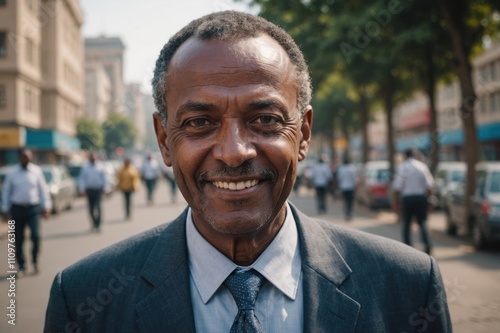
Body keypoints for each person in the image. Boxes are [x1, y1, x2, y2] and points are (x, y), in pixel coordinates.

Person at [45, 11, 451, 332]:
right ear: (165, 140)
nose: (234, 152)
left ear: (304, 133)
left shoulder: (408, 288)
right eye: (200, 123)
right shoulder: (83, 299)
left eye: (265, 119)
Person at [1, 149, 51, 276]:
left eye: (29, 156)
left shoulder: (36, 171)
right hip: (17, 209)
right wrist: (5, 209)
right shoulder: (12, 173)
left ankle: (34, 262)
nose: (27, 158)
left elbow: (43, 189)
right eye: (24, 156)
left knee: (35, 235)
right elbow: (6, 192)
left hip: (33, 208)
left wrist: (46, 206)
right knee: (18, 238)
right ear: (20, 157)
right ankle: (22, 265)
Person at [393, 148, 435, 255]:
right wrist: (428, 200)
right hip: (420, 198)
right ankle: (427, 245)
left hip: (407, 199)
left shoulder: (402, 167)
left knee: (407, 223)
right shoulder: (422, 166)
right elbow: (429, 186)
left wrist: (396, 203)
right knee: (422, 222)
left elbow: (397, 188)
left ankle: (408, 248)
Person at [78, 152, 107, 232]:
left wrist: (105, 188)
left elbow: (104, 178)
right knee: (91, 209)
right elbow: (82, 179)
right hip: (89, 190)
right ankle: (93, 223)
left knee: (99, 207)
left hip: (98, 189)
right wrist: (82, 189)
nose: (94, 159)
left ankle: (98, 225)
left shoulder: (101, 166)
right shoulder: (85, 167)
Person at [336, 155, 358, 221]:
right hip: (351, 187)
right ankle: (350, 214)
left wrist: (339, 186)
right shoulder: (352, 168)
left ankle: (346, 214)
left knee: (345, 201)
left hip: (344, 187)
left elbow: (339, 178)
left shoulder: (341, 168)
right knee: (350, 201)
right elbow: (354, 178)